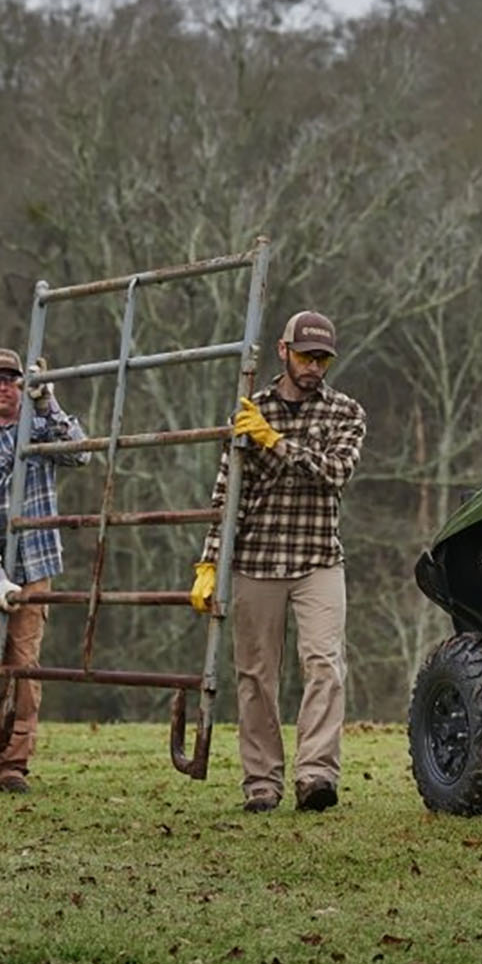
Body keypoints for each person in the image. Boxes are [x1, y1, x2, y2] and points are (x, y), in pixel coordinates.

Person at [190, 310, 366, 813]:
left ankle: (315, 775)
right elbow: (229, 494)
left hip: (317, 558)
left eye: (323, 359)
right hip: (257, 559)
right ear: (283, 352)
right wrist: (210, 561)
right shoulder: (250, 410)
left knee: (325, 664)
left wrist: (277, 442)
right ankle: (261, 781)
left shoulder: (345, 412)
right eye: (306, 356)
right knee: (255, 675)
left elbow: (336, 472)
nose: (314, 367)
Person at [0, 347, 87, 795]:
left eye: (13, 378)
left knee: (23, 669)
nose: (5, 386)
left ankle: (11, 766)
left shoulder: (41, 427)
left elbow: (80, 453)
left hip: (35, 564)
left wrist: (48, 403)